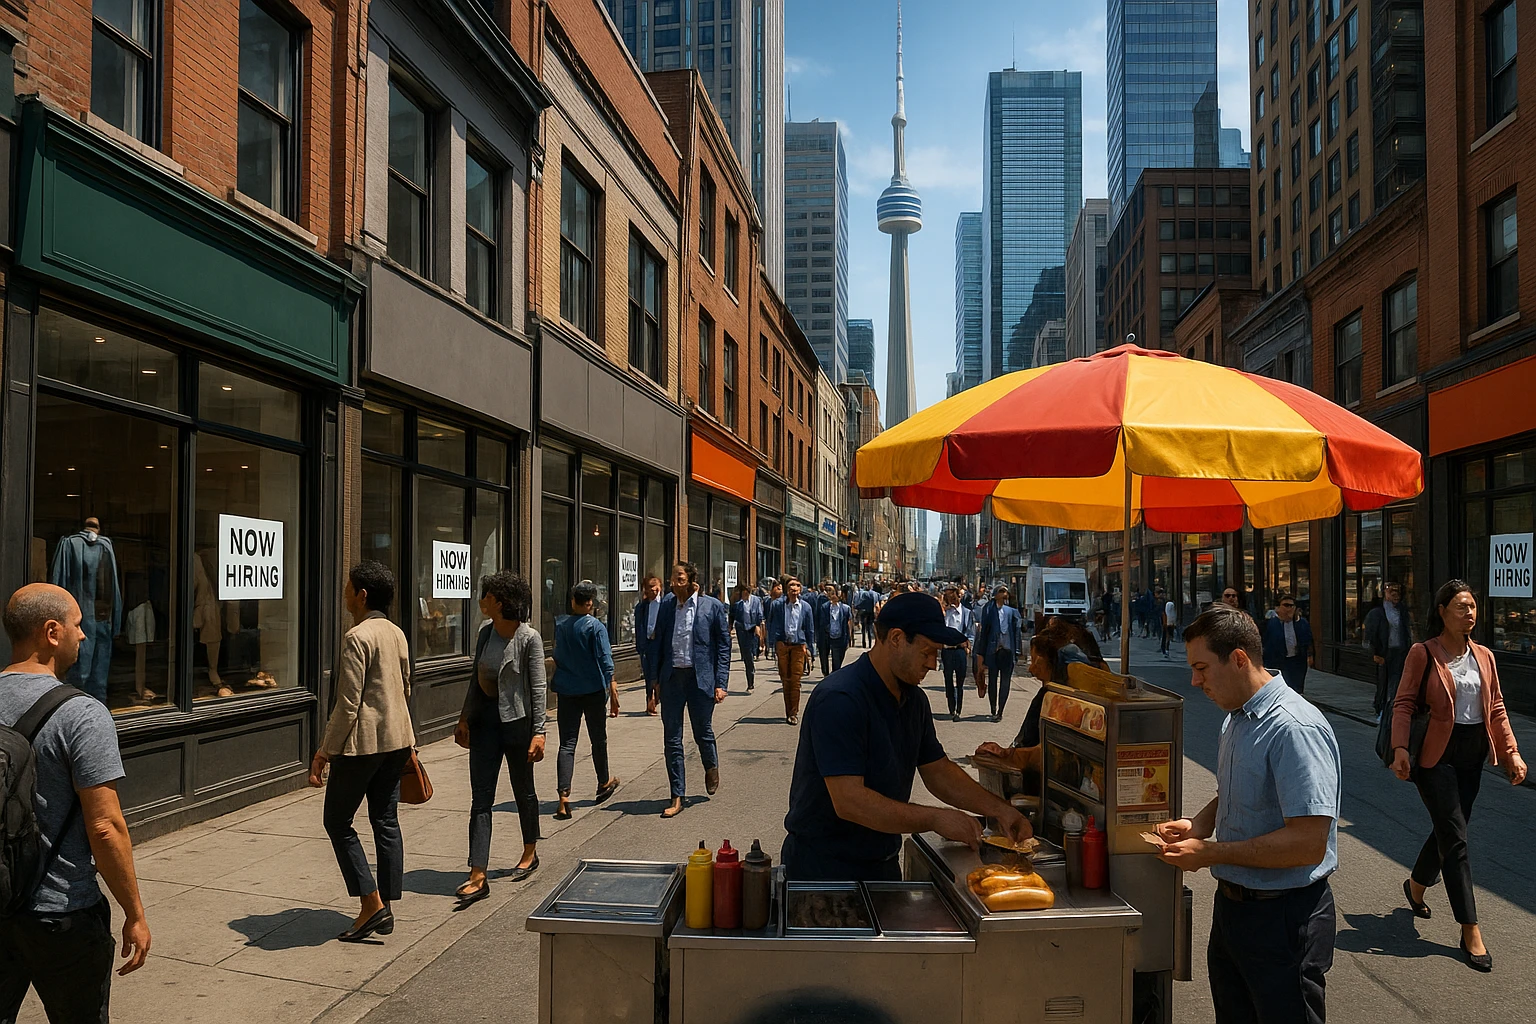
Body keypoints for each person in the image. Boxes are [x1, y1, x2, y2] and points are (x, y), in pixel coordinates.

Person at [1155, 606, 1341, 1024]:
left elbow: (1308, 842)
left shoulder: (1294, 729)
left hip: (1284, 919)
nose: (1194, 681)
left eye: (1202, 668)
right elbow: (1236, 790)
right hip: (1235, 911)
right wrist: (1198, 825)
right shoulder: (1237, 717)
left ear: (1239, 659)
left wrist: (1212, 851)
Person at [782, 592, 1032, 881]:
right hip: (824, 872)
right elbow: (849, 801)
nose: (933, 664)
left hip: (881, 863)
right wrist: (934, 818)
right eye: (927, 652)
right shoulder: (841, 698)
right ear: (897, 639)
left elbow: (938, 771)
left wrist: (1000, 811)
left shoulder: (914, 700)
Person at [0, 585, 150, 1019]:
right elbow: (105, 826)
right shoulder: (81, 713)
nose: (82, 636)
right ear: (51, 632)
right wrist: (135, 913)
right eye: (77, 625)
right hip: (60, 910)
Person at [1390, 580, 1526, 972]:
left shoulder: (1484, 655)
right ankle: (1470, 928)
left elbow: (1496, 707)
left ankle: (1416, 887)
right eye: (1461, 607)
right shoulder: (1424, 653)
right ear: (1442, 611)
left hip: (1472, 755)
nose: (1470, 613)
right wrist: (1401, 748)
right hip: (1436, 757)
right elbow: (1402, 703)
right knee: (1457, 839)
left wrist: (1512, 752)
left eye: (1473, 607)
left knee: (1450, 830)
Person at [312, 561, 416, 942]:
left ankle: (371, 903)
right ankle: (385, 906)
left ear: (362, 595)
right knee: (385, 820)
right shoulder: (397, 633)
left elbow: (348, 703)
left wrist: (325, 750)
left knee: (337, 822)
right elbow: (406, 687)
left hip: (363, 746)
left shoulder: (358, 637)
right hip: (397, 741)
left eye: (348, 588)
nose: (344, 595)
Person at [451, 572, 545, 908]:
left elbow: (537, 688)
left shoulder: (528, 638)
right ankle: (478, 873)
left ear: (500, 602)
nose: (481, 600)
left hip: (518, 724)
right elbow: (475, 679)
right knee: (481, 798)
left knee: (523, 790)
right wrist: (463, 719)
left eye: (486, 596)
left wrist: (540, 732)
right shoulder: (485, 634)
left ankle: (530, 850)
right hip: (485, 725)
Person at [975, 621, 1106, 772]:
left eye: (1037, 662)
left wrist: (1006, 754)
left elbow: (1046, 754)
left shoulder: (1060, 699)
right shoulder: (1060, 695)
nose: (1032, 669)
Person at [654, 563, 731, 819]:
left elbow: (723, 646)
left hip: (701, 679)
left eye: (679, 578)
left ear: (690, 581)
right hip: (672, 678)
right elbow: (658, 641)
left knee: (702, 731)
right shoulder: (667, 605)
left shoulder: (712, 606)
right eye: (672, 578)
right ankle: (677, 795)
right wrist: (654, 681)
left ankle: (711, 765)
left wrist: (721, 683)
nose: (673, 582)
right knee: (672, 738)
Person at [550, 581, 621, 820]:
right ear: (590, 603)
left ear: (573, 601)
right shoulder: (596, 627)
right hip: (592, 689)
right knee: (598, 739)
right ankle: (603, 782)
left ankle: (563, 796)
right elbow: (604, 658)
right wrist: (612, 687)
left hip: (567, 690)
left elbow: (557, 655)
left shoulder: (561, 625)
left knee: (567, 743)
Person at [767, 578, 817, 724]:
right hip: (782, 644)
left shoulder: (806, 607)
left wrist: (811, 650)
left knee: (795, 680)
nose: (794, 588)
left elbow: (810, 629)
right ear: (786, 590)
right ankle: (788, 710)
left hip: (798, 645)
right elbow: (771, 623)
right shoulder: (777, 605)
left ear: (800, 589)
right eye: (791, 586)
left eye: (797, 586)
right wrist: (772, 644)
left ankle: (793, 713)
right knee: (785, 680)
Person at [973, 584, 1023, 723]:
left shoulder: (1011, 611)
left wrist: (1017, 651)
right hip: (993, 651)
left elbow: (1017, 632)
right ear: (995, 594)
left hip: (1007, 651)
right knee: (993, 681)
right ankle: (993, 708)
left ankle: (1000, 711)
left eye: (1005, 591)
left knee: (1005, 682)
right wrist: (981, 654)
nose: (1004, 593)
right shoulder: (988, 610)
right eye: (1001, 591)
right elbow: (984, 634)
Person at [1366, 582, 1413, 727]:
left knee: (1396, 681)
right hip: (1385, 652)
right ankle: (1380, 709)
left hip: (1400, 651)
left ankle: (1393, 710)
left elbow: (1407, 630)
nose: (1394, 594)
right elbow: (1371, 634)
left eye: (1397, 591)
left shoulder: (1402, 611)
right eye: (1391, 591)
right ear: (1384, 593)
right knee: (1383, 682)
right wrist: (1375, 652)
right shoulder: (1378, 612)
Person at [1262, 593, 1314, 694]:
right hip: (1277, 662)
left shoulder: (1302, 623)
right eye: (1285, 605)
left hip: (1296, 661)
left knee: (1296, 689)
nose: (1288, 609)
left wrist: (1310, 656)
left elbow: (1308, 640)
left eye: (1291, 606)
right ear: (1278, 608)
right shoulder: (1271, 623)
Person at [938, 584, 974, 722]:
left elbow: (970, 632)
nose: (950, 599)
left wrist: (968, 647)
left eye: (951, 596)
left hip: (960, 651)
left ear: (957, 595)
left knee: (960, 681)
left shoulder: (966, 613)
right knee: (948, 680)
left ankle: (958, 710)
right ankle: (951, 707)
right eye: (947, 596)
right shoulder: (945, 613)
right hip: (947, 651)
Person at [634, 574, 663, 716]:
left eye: (655, 587)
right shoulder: (641, 607)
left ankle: (657, 697)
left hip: (660, 645)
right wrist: (640, 646)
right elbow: (639, 627)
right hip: (647, 645)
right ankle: (649, 701)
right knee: (648, 674)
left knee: (657, 674)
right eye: (649, 588)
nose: (653, 591)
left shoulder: (665, 604)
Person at [729, 583, 764, 693]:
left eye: (746, 594)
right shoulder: (737, 602)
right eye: (743, 594)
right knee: (746, 655)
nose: (745, 596)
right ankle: (750, 679)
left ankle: (751, 681)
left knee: (750, 653)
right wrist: (730, 627)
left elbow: (759, 614)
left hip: (752, 629)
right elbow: (732, 615)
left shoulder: (756, 601)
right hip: (741, 630)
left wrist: (758, 626)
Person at [818, 587, 854, 674]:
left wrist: (850, 637)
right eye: (832, 594)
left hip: (839, 637)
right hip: (827, 637)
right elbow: (821, 623)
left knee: (837, 661)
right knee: (824, 657)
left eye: (836, 594)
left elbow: (849, 623)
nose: (834, 596)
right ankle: (826, 674)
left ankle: (834, 675)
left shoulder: (845, 608)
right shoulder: (825, 607)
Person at [812, 581, 835, 675]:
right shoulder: (821, 599)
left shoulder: (821, 598)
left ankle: (828, 672)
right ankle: (826, 672)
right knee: (824, 652)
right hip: (823, 630)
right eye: (827, 589)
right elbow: (817, 615)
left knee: (826, 652)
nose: (828, 592)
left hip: (827, 630)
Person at [1159, 589, 1177, 658]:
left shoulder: (1165, 604)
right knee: (1167, 637)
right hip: (1168, 623)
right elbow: (1171, 614)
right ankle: (1166, 649)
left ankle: (1165, 649)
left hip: (1166, 622)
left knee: (1166, 636)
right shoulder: (1169, 604)